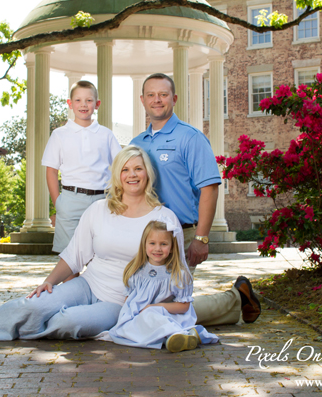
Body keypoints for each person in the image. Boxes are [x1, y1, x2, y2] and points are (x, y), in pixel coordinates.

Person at [0, 145, 180, 341]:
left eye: (138, 168)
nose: (132, 175)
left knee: (68, 322)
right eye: (125, 170)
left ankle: (18, 329)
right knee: (35, 304)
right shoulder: (99, 210)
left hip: (120, 301)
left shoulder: (164, 218)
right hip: (87, 285)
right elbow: (75, 255)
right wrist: (48, 282)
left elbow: (175, 270)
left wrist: (156, 308)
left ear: (148, 173)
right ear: (117, 175)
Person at [130, 73, 261, 325]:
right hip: (145, 238)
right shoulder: (137, 144)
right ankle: (238, 297)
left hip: (181, 235)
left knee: (165, 308)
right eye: (151, 95)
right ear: (142, 100)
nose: (157, 100)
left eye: (163, 94)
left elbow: (210, 188)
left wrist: (201, 238)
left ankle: (235, 299)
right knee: (149, 304)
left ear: (174, 98)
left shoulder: (190, 137)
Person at [99, 219, 219, 352]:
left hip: (168, 315)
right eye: (152, 243)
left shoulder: (178, 274)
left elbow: (184, 306)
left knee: (152, 316)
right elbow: (129, 299)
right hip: (141, 316)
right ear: (144, 245)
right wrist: (127, 317)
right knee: (134, 326)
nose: (157, 248)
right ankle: (180, 337)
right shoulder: (137, 271)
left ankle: (177, 336)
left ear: (172, 247)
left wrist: (155, 308)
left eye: (163, 244)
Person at [42, 80, 121, 253]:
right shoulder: (59, 135)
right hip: (71, 199)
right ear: (70, 104)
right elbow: (51, 171)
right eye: (78, 100)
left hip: (102, 199)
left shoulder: (106, 134)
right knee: (70, 255)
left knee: (100, 254)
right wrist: (59, 204)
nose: (83, 105)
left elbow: (120, 167)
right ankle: (72, 281)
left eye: (89, 100)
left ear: (97, 104)